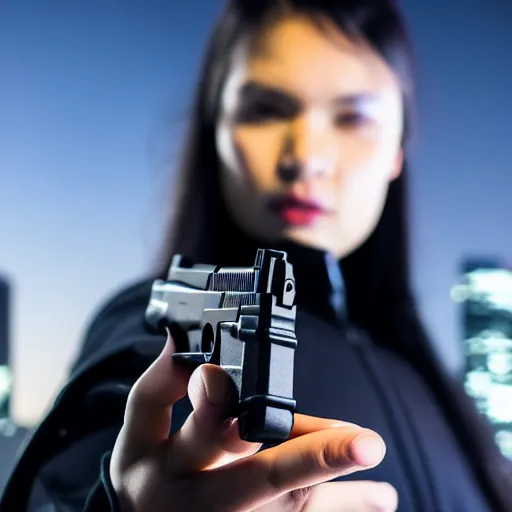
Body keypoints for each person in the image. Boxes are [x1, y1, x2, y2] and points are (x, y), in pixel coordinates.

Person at [2, 0, 512, 510]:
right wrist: (126, 506)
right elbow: (66, 487)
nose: (306, 158)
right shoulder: (176, 315)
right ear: (216, 131)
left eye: (354, 117)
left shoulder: (426, 377)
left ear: (398, 151)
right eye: (265, 110)